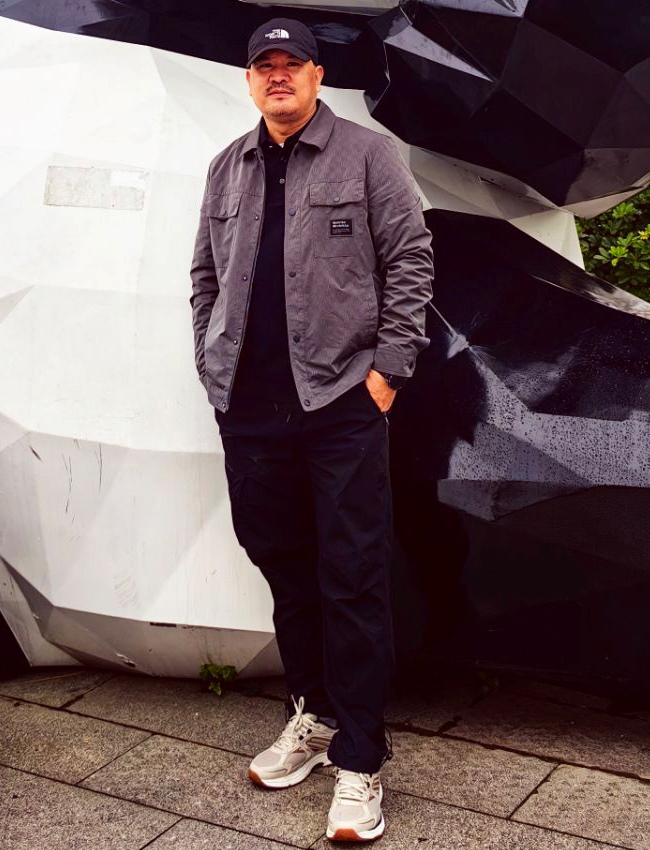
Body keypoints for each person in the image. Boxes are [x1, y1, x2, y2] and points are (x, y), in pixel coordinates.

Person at [190, 17, 433, 842]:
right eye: (265, 64)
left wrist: (386, 372)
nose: (279, 74)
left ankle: (361, 759)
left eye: (292, 63)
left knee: (352, 577)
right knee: (285, 568)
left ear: (318, 76)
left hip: (338, 406)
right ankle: (317, 717)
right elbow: (204, 277)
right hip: (249, 411)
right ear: (249, 79)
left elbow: (411, 260)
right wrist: (212, 369)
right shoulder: (227, 166)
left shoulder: (367, 157)